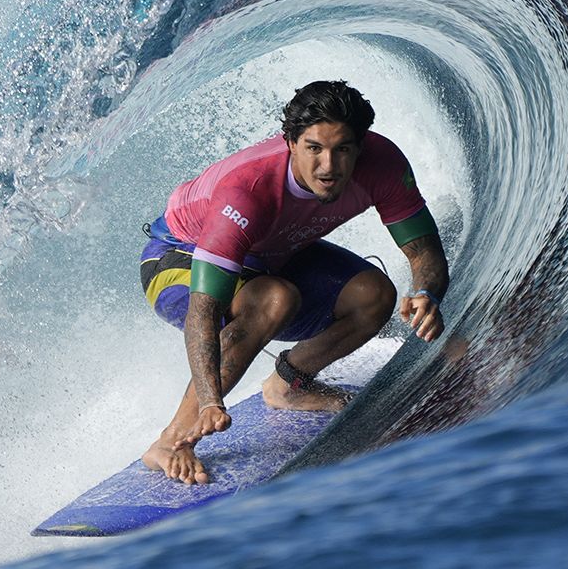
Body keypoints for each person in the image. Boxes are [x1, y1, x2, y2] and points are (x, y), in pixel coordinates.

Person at [136, 80, 450, 485]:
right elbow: (203, 311)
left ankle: (288, 385)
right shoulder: (247, 190)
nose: (328, 167)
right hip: (177, 258)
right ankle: (170, 441)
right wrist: (211, 400)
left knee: (374, 295)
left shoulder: (382, 164)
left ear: (361, 145)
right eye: (314, 148)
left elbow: (424, 253)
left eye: (343, 150)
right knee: (273, 298)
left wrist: (426, 293)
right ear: (290, 142)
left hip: (271, 254)